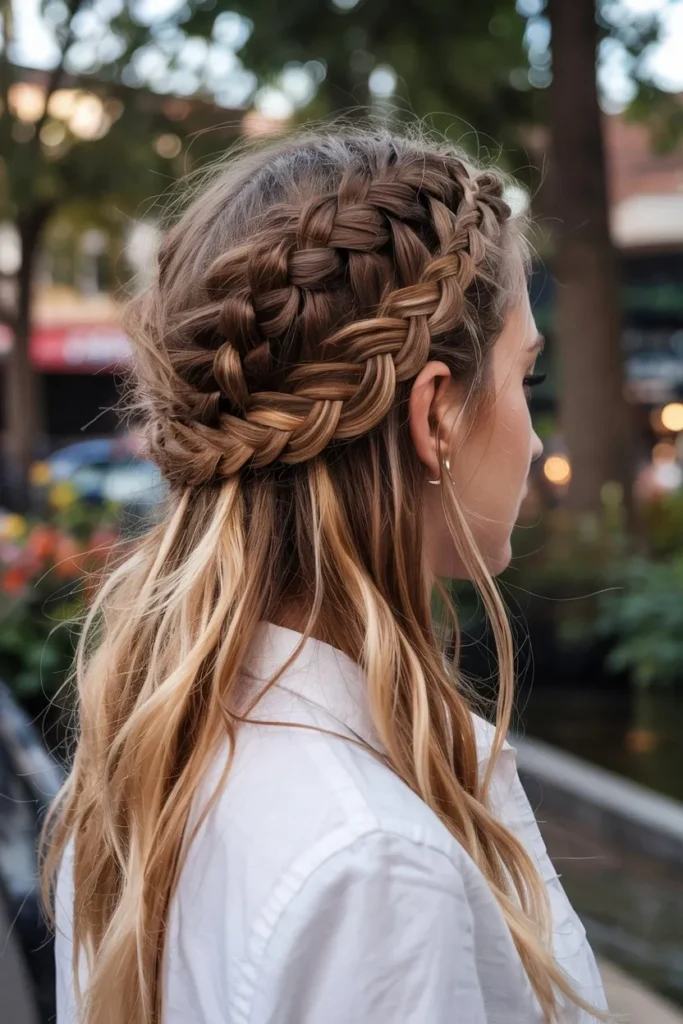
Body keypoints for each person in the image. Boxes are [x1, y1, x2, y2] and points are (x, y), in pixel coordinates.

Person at [42, 130, 608, 1024]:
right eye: (523, 378)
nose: (536, 439)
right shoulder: (377, 867)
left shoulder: (139, 765)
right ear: (435, 416)